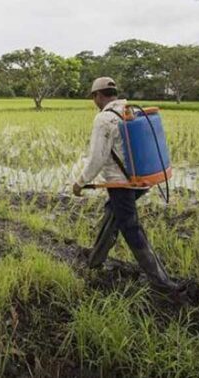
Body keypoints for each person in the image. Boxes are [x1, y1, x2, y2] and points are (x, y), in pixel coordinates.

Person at [73, 77, 183, 293]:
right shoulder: (129, 110)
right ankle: (95, 259)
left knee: (131, 227)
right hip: (142, 178)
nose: (94, 101)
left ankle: (161, 282)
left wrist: (80, 182)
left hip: (122, 184)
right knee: (113, 213)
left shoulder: (104, 119)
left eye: (93, 97)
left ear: (98, 95)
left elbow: (97, 158)